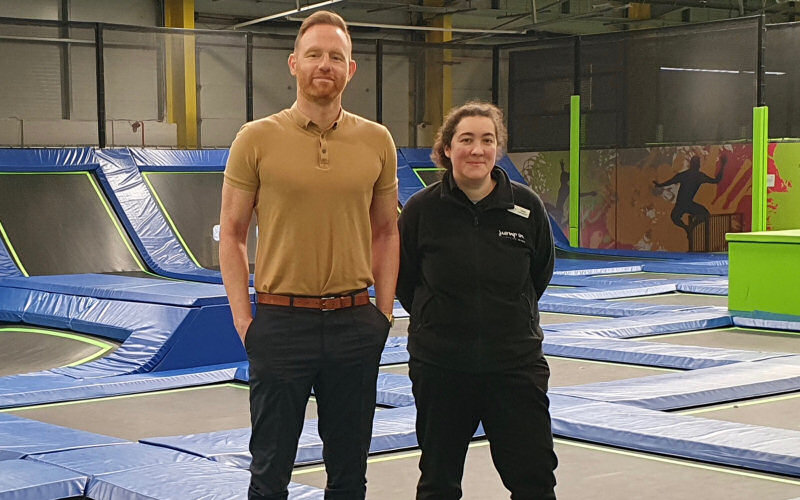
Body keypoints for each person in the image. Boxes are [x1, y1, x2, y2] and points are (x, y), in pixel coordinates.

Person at [219, 11, 398, 500]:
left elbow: (386, 231)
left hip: (354, 322)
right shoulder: (255, 139)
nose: (326, 64)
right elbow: (231, 235)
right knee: (270, 471)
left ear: (351, 69)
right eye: (315, 55)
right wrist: (244, 320)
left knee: (349, 472)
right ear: (294, 64)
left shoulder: (377, 140)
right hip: (280, 322)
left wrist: (382, 314)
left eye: (336, 57)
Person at [397, 101, 558, 500]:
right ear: (447, 149)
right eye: (466, 139)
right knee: (438, 481)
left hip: (515, 367)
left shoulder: (526, 208)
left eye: (487, 140)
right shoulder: (421, 210)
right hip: (441, 368)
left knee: (534, 478)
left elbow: (539, 274)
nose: (477, 149)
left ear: (498, 148)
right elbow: (405, 281)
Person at [653, 154, 727, 234]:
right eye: (696, 163)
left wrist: (660, 185)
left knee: (703, 214)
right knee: (676, 217)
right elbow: (672, 181)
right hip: (683, 204)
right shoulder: (694, 176)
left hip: (685, 204)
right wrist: (723, 165)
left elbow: (716, 180)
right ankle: (689, 228)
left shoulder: (694, 176)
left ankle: (690, 227)